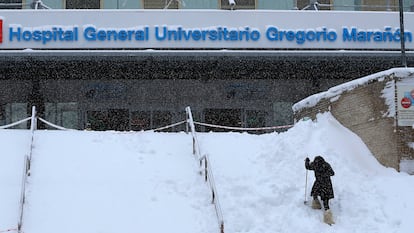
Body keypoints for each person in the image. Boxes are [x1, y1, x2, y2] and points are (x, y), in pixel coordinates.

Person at [305, 156, 335, 225]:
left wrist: (307, 161)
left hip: (319, 183)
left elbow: (308, 167)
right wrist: (325, 175)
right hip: (326, 184)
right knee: (325, 200)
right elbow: (332, 173)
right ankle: (328, 218)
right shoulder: (326, 165)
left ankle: (316, 205)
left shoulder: (315, 165)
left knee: (315, 193)